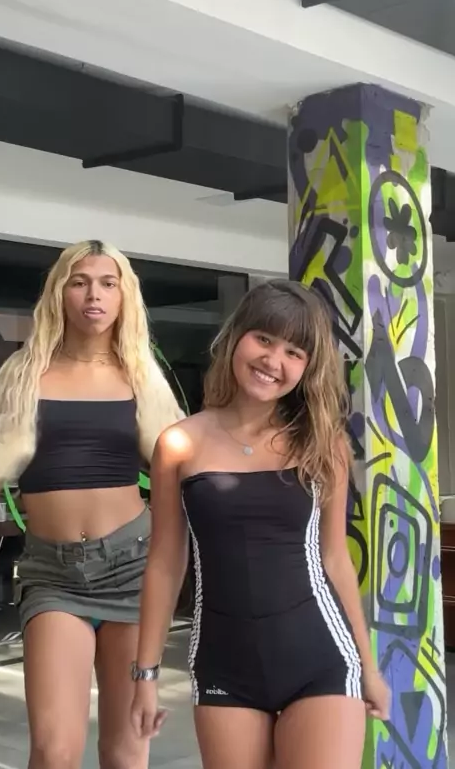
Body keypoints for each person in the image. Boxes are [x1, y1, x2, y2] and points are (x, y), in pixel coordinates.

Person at [131, 280, 390, 769]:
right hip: (224, 664)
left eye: (294, 352)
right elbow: (165, 563)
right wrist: (145, 675)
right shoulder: (179, 444)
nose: (274, 360)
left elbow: (335, 559)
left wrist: (369, 668)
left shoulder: (322, 444)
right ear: (237, 338)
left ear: (308, 367)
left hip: (320, 659)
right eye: (264, 339)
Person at [0, 239, 184, 769]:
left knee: (125, 752)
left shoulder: (140, 375)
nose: (94, 294)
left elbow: (185, 465)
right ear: (60, 293)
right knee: (53, 752)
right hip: (52, 574)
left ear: (123, 296)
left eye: (108, 283)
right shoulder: (24, 372)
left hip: (132, 569)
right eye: (80, 282)